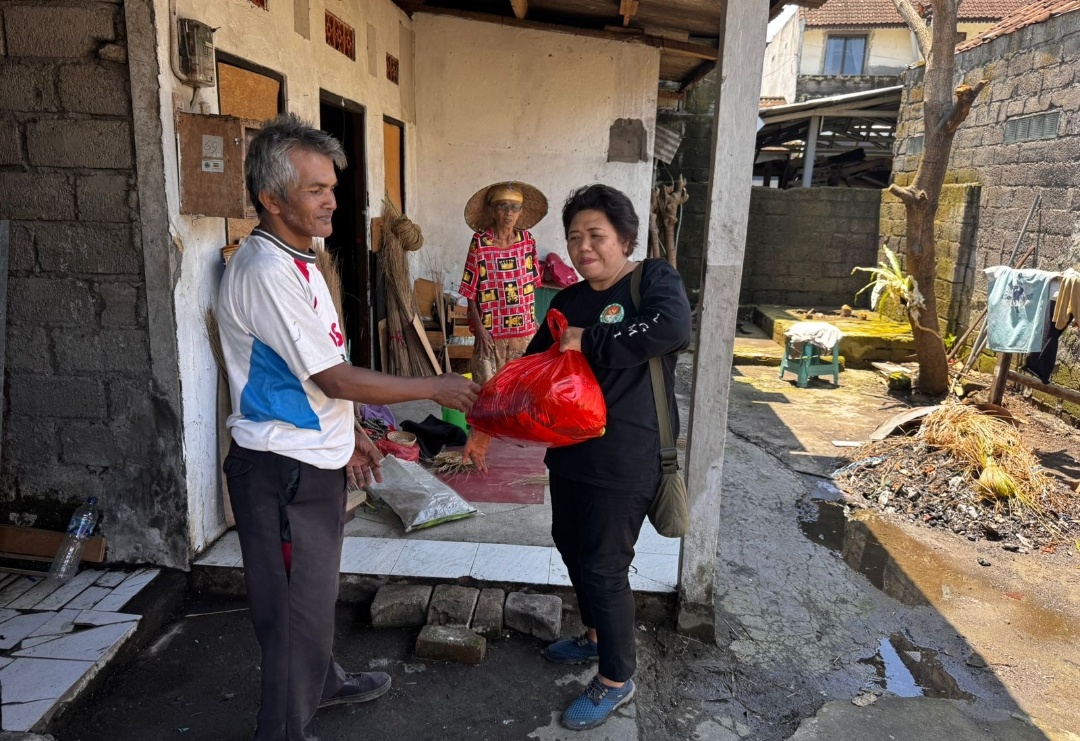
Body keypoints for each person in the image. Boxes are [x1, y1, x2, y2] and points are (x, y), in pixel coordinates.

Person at [216, 113, 479, 741]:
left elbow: (311, 375)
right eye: (315, 189)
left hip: (311, 459)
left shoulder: (301, 259)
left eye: (331, 187)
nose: (331, 199)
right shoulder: (266, 272)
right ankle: (282, 730)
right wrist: (434, 387)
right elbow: (334, 378)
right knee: (292, 610)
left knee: (311, 597)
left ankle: (322, 682)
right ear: (271, 197)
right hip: (282, 470)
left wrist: (352, 432)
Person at [464, 184, 693, 730]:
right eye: (574, 237)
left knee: (604, 564)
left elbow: (671, 329)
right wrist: (487, 420)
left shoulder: (652, 281)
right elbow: (532, 368)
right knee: (570, 544)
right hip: (569, 451)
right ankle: (594, 635)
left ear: (625, 238)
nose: (583, 247)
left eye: (596, 235)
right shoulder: (567, 301)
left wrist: (588, 341)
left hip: (629, 452)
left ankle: (616, 678)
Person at [458, 181, 548, 385]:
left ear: (520, 213)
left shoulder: (527, 240)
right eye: (502, 206)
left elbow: (530, 285)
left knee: (520, 389)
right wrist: (479, 330)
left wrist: (533, 321)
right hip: (491, 332)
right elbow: (470, 291)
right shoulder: (480, 242)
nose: (509, 213)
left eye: (515, 207)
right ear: (492, 210)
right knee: (487, 389)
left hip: (523, 332)